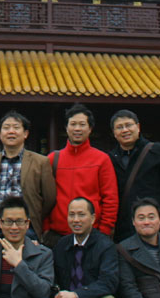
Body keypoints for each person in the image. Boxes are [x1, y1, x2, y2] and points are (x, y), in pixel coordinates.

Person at [51, 197, 121, 298]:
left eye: (81, 214)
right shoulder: (62, 245)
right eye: (72, 215)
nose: (76, 220)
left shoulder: (105, 246)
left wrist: (77, 295)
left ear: (93, 218)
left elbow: (109, 282)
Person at [44, 103, 119, 246]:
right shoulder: (53, 159)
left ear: (90, 128)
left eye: (82, 124)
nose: (77, 128)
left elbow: (110, 198)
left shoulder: (101, 159)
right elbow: (44, 198)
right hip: (57, 235)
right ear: (66, 127)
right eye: (73, 124)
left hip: (93, 234)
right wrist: (46, 228)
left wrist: (105, 230)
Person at [108, 110, 160, 241]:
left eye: (128, 125)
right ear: (114, 133)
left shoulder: (158, 152)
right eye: (119, 127)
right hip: (123, 230)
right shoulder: (110, 159)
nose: (125, 130)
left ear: (138, 127)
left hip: (155, 227)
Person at [0, 110, 56, 240]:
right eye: (6, 128)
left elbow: (49, 198)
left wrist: (33, 214)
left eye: (16, 127)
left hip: (28, 227)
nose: (11, 131)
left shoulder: (40, 162)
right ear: (0, 134)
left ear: (25, 133)